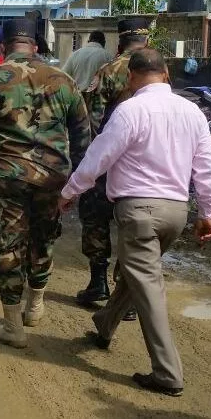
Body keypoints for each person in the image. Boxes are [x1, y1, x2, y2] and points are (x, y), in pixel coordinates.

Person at [59, 48, 211, 397]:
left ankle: (167, 374)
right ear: (166, 75)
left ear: (130, 78)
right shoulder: (192, 112)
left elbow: (99, 157)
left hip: (139, 213)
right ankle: (104, 326)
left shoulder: (129, 110)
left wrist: (70, 191)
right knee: (138, 276)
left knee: (148, 288)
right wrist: (207, 212)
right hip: (176, 213)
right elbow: (206, 166)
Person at [0, 16, 91, 348]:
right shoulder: (63, 80)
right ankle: (35, 306)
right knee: (43, 238)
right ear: (35, 45)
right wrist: (78, 184)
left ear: (4, 46)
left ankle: (13, 327)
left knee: (7, 244)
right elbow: (83, 138)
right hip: (53, 177)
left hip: (7, 177)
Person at [76, 17, 153, 316]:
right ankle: (127, 297)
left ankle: (98, 283)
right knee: (133, 227)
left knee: (95, 219)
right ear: (145, 41)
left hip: (109, 164)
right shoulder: (160, 72)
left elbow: (92, 123)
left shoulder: (107, 72)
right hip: (144, 166)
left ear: (119, 42)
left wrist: (88, 163)